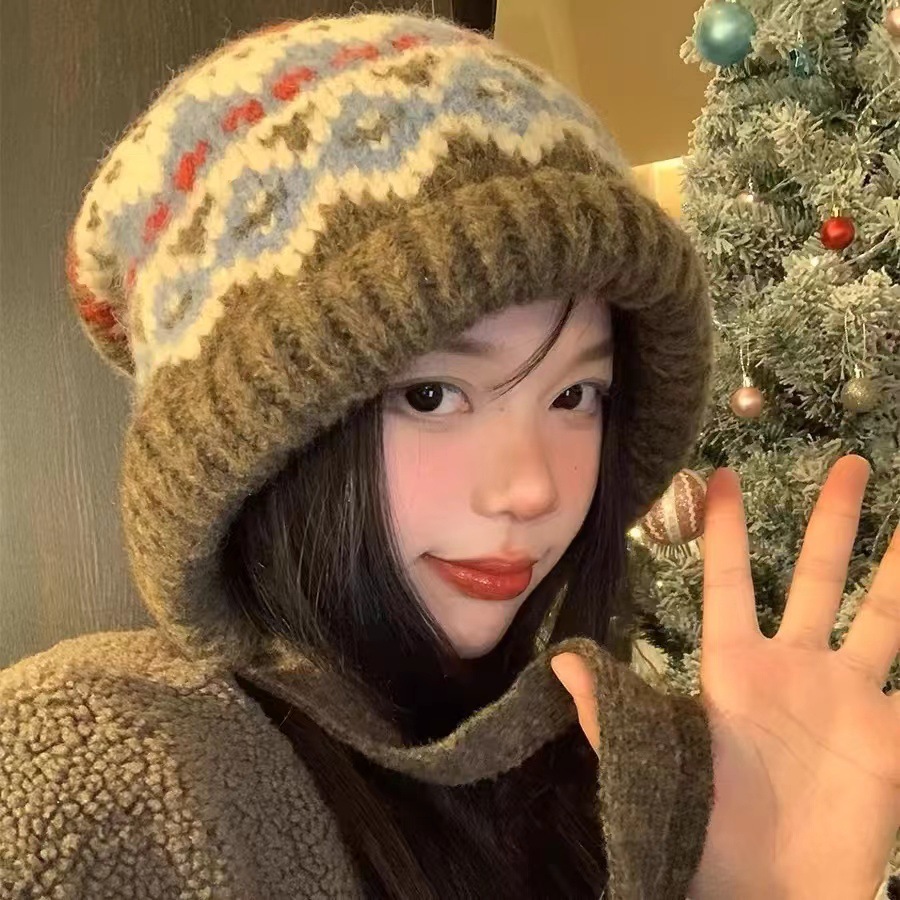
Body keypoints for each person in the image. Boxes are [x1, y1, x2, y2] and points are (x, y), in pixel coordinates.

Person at [1, 9, 897, 899]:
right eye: (432, 395)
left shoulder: (618, 775)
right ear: (256, 448)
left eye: (575, 396)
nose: (532, 489)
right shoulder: (97, 770)